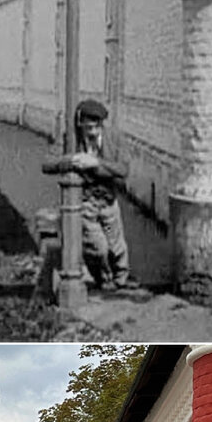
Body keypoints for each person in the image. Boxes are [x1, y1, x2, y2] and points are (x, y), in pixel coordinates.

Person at [71, 99, 136, 291]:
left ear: (102, 125)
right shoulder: (71, 138)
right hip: (86, 202)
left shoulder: (114, 138)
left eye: (95, 127)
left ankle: (121, 281)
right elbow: (50, 161)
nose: (91, 132)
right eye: (87, 127)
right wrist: (72, 160)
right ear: (80, 124)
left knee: (118, 248)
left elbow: (123, 170)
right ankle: (101, 279)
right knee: (97, 248)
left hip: (108, 200)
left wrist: (95, 164)